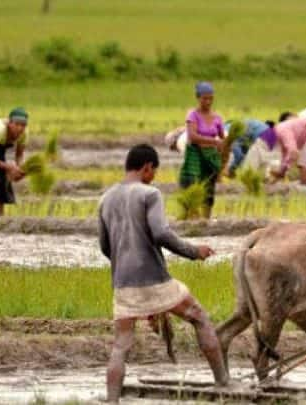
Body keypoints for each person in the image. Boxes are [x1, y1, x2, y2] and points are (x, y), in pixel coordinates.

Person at [99, 144, 229, 403]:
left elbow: (105, 246)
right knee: (200, 318)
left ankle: (112, 400)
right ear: (147, 167)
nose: (154, 176)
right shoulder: (149, 194)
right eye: (154, 171)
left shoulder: (106, 198)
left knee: (121, 344)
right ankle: (224, 382)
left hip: (123, 284)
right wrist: (194, 251)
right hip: (154, 279)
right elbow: (161, 233)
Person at [179, 82, 225, 218]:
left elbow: (223, 138)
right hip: (195, 154)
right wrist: (213, 141)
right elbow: (192, 136)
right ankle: (193, 216)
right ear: (198, 98)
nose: (208, 101)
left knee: (209, 187)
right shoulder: (192, 115)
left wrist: (225, 149)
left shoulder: (217, 118)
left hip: (210, 156)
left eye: (211, 98)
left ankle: (206, 219)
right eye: (205, 98)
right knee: (193, 183)